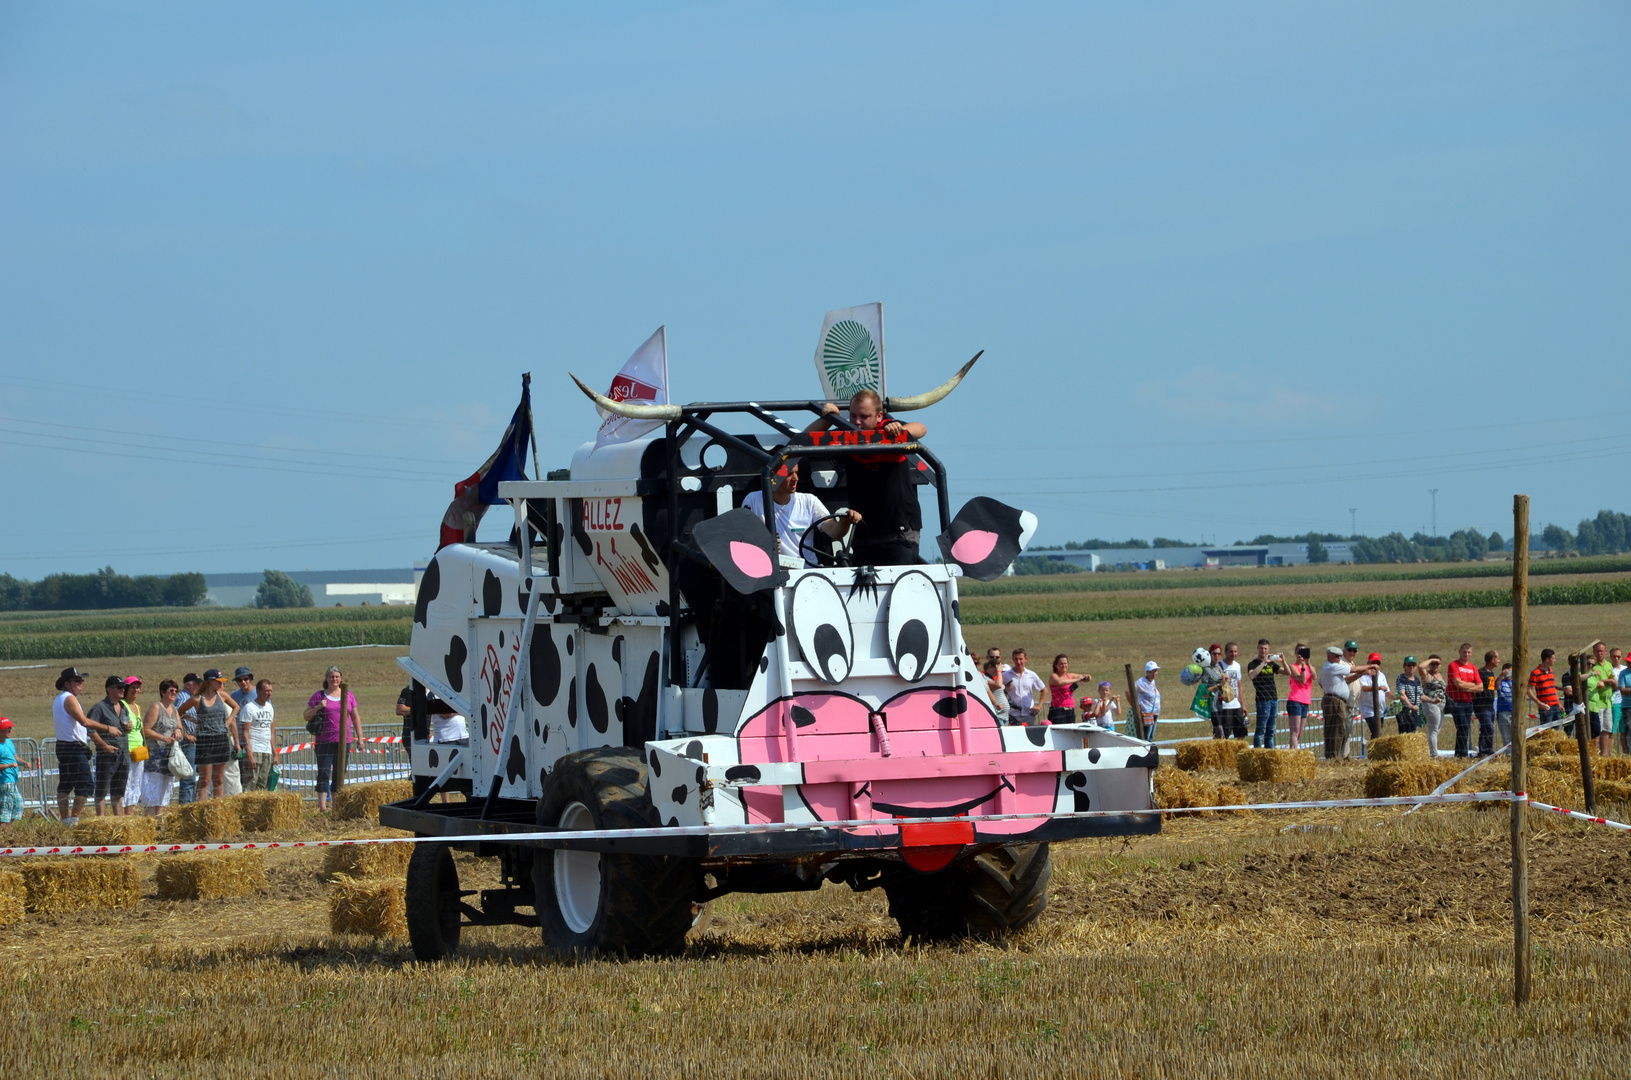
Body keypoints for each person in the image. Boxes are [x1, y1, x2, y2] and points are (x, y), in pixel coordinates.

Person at [806, 390, 927, 566]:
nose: (856, 421)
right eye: (853, 415)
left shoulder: (887, 429)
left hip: (898, 532)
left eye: (864, 416)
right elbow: (802, 440)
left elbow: (921, 428)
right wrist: (828, 419)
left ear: (879, 416)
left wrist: (899, 430)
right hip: (864, 533)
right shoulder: (848, 436)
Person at [740, 465, 858, 565]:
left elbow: (834, 532)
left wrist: (844, 523)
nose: (796, 478)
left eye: (796, 473)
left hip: (807, 574)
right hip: (772, 575)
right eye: (789, 474)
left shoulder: (809, 501)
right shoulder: (753, 500)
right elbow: (743, 540)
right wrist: (764, 544)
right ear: (773, 476)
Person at [177, 669, 240, 800]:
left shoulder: (222, 695)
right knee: (204, 779)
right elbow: (179, 712)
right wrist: (191, 725)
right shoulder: (197, 699)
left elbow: (236, 707)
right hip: (205, 741)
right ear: (210, 682)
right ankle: (202, 806)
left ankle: (218, 807)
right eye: (218, 681)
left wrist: (228, 721)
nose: (221, 684)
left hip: (221, 739)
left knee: (218, 779)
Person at [304, 666, 360, 812]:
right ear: (326, 678)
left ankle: (336, 806)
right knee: (324, 772)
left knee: (340, 772)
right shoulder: (319, 695)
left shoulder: (348, 695)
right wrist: (318, 707)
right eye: (331, 676)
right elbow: (306, 715)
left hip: (344, 741)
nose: (334, 679)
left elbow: (355, 717)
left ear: (341, 678)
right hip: (324, 740)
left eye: (337, 676)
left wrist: (360, 737)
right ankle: (323, 806)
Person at [51, 667, 96, 824]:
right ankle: (74, 820)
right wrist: (107, 727)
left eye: (81, 681)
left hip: (65, 745)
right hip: (72, 746)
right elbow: (84, 721)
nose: (81, 683)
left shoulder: (60, 698)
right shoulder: (69, 699)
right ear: (67, 683)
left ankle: (65, 821)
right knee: (85, 783)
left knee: (66, 784)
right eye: (77, 681)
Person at [87, 675, 133, 816]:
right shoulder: (99, 708)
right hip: (107, 756)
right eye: (119, 687)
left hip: (123, 754)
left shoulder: (123, 706)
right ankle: (101, 820)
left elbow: (125, 727)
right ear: (109, 689)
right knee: (101, 790)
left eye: (124, 687)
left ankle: (118, 821)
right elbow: (90, 730)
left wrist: (129, 727)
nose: (123, 690)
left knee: (118, 791)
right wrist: (103, 746)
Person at [1319, 645, 1375, 760]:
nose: (1339, 658)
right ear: (1329, 656)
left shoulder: (1327, 667)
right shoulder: (1333, 666)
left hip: (1332, 699)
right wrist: (1370, 666)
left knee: (1331, 729)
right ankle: (1335, 757)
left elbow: (1321, 682)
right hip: (1335, 701)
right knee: (1338, 730)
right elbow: (1353, 670)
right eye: (1336, 656)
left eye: (1340, 656)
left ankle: (1331, 756)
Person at [140, 679, 183, 815]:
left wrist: (178, 731)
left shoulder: (174, 709)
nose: (174, 693)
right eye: (171, 691)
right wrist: (163, 737)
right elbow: (146, 730)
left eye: (176, 691)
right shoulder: (156, 708)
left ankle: (159, 820)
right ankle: (149, 819)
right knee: (153, 787)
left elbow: (180, 728)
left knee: (164, 788)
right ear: (163, 692)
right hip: (155, 755)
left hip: (169, 756)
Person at [426, 694, 469, 804]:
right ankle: (446, 802)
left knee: (467, 771)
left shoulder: (456, 692)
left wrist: (458, 710)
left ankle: (470, 796)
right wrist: (461, 709)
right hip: (445, 739)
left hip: (463, 737)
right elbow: (446, 713)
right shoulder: (433, 694)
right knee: (445, 773)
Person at [236, 680, 276, 791]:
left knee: (262, 783)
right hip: (254, 749)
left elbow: (271, 732)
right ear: (258, 691)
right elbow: (245, 733)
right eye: (266, 691)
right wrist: (249, 754)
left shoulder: (270, 708)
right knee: (250, 782)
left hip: (267, 751)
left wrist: (275, 753)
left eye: (271, 691)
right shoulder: (249, 708)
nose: (269, 693)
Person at [1445, 644, 1482, 759]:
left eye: (1469, 652)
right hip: (1456, 701)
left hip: (1468, 702)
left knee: (1465, 728)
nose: (1466, 654)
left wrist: (1467, 686)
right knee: (1463, 727)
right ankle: (1462, 754)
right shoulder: (1453, 665)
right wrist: (1472, 685)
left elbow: (1480, 687)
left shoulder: (1473, 667)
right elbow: (1458, 683)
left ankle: (1459, 754)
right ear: (1459, 652)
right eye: (1464, 652)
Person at [1245, 640, 1283, 749]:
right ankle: (1258, 752)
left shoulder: (1272, 663)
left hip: (1273, 698)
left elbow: (1288, 672)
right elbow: (1252, 675)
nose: (1263, 650)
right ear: (1257, 648)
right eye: (1261, 648)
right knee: (1261, 728)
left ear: (1268, 649)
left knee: (1271, 729)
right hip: (1262, 699)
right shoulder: (1253, 663)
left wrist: (1283, 661)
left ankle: (1269, 752)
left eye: (1265, 648)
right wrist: (1264, 663)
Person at [228, 665, 257, 792]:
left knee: (253, 775)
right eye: (240, 680)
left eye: (246, 679)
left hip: (254, 741)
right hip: (238, 741)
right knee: (238, 775)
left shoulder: (259, 693)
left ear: (250, 679)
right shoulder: (233, 696)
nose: (243, 682)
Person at [174, 673, 202, 804]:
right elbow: (177, 716)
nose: (199, 686)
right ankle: (185, 805)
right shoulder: (183, 697)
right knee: (188, 776)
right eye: (197, 683)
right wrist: (186, 735)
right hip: (187, 742)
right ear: (188, 685)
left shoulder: (192, 697)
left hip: (194, 741)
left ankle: (191, 803)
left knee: (193, 776)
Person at [120, 677, 147, 811]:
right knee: (127, 782)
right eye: (133, 687)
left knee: (136, 782)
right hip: (128, 749)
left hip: (139, 750)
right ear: (125, 689)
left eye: (138, 687)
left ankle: (131, 811)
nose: (136, 690)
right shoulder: (121, 705)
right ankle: (125, 812)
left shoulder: (137, 707)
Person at [1584, 641, 1614, 756]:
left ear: (1606, 652)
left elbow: (1611, 678)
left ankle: (1604, 754)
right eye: (1597, 651)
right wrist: (1607, 681)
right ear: (1594, 652)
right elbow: (1594, 682)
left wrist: (1613, 682)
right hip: (1597, 702)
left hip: (1608, 702)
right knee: (1597, 731)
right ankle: (1594, 753)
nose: (1599, 653)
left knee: (1607, 729)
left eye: (1601, 651)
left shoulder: (1608, 665)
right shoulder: (1591, 665)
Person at [1002, 649, 1046, 726]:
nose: (1018, 662)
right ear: (1013, 659)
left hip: (1028, 715)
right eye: (1016, 659)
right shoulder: (1005, 675)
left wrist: (1039, 706)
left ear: (1026, 659)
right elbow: (997, 691)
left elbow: (1044, 690)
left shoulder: (1031, 675)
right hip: (1012, 715)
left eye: (1021, 659)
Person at [1283, 645, 1315, 750]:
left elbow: (1314, 676)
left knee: (1300, 731)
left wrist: (1308, 663)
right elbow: (1302, 680)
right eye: (1299, 652)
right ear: (1296, 654)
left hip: (1305, 701)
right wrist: (1302, 667)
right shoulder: (1293, 666)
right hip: (1295, 699)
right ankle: (1294, 753)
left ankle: (1293, 750)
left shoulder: (1309, 666)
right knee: (1295, 730)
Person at [1213, 643, 1246, 740]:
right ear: (1226, 652)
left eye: (1235, 651)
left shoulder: (1237, 666)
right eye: (1231, 651)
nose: (1233, 654)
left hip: (1236, 705)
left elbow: (1239, 686)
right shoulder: (1219, 666)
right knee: (1224, 734)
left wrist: (1243, 705)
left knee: (1241, 732)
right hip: (1224, 705)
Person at [1355, 652, 1390, 741]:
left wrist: (1397, 698)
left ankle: (1375, 749)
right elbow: (1364, 688)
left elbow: (1387, 691)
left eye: (1378, 663)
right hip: (1368, 710)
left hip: (1381, 709)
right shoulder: (1364, 675)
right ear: (1368, 663)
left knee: (1378, 732)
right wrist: (1378, 688)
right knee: (1375, 731)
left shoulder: (1381, 675)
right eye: (1373, 663)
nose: (1375, 665)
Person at [1046, 655, 1091, 724]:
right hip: (1058, 709)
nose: (1063, 665)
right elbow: (1060, 682)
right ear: (1056, 665)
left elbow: (1081, 676)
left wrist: (1086, 677)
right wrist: (1077, 679)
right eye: (1061, 664)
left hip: (1070, 709)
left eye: (1065, 663)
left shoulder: (1069, 676)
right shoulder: (1054, 676)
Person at [1473, 649, 1501, 758]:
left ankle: (1486, 750)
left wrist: (1501, 676)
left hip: (1490, 705)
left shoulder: (1491, 673)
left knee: (1487, 729)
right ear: (1492, 660)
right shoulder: (1481, 673)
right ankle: (1484, 750)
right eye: (1497, 658)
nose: (1499, 661)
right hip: (1482, 706)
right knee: (1488, 727)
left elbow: (1493, 687)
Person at [1420, 655, 1448, 758]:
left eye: (1437, 663)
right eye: (1433, 663)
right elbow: (1420, 667)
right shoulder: (1427, 675)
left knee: (1438, 729)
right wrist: (1431, 659)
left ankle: (1433, 751)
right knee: (1433, 729)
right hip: (1431, 703)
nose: (1435, 665)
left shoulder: (1440, 675)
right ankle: (1434, 755)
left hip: (1442, 704)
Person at [1529, 649, 1562, 736]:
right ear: (1547, 659)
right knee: (1546, 733)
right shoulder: (1535, 673)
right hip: (1546, 708)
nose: (1555, 661)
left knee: (1557, 732)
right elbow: (1529, 690)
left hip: (1556, 706)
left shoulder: (1551, 671)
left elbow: (1553, 688)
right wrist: (1539, 703)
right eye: (1553, 658)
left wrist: (1559, 703)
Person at [1134, 661, 1161, 741]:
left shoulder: (1152, 681)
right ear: (1147, 672)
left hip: (1155, 712)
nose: (1154, 673)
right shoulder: (1140, 682)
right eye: (1152, 671)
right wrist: (1137, 707)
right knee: (1146, 737)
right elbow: (1128, 692)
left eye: (1155, 671)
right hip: (1147, 713)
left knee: (1151, 737)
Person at [0, 718, 19, 829]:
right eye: (7, 729)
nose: (10, 730)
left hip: (12, 780)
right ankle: (3, 831)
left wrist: (24, 762)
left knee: (18, 805)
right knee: (6, 807)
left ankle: (5, 830)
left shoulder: (10, 743)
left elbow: (15, 758)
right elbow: (11, 762)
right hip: (4, 781)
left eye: (10, 728)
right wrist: (9, 765)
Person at [1395, 657, 1422, 735]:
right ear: (1404, 666)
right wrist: (1410, 706)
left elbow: (1421, 695)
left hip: (1415, 712)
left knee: (1412, 735)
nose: (1411, 667)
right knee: (1404, 736)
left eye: (1413, 665)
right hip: (1405, 711)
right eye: (1409, 665)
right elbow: (1402, 693)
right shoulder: (1401, 678)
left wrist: (1433, 701)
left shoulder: (1417, 680)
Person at [982, 656, 1010, 725]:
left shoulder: (993, 679)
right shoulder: (985, 678)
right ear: (990, 667)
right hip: (997, 715)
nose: (997, 672)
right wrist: (999, 672)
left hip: (1004, 717)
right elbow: (998, 685)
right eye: (996, 669)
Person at [1494, 663, 1515, 748]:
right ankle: (1508, 754)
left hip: (1514, 711)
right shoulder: (1501, 682)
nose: (1509, 673)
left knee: (1517, 735)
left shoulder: (1516, 682)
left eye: (1511, 671)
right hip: (1503, 712)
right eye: (1507, 671)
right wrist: (1501, 675)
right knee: (1506, 736)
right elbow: (1495, 686)